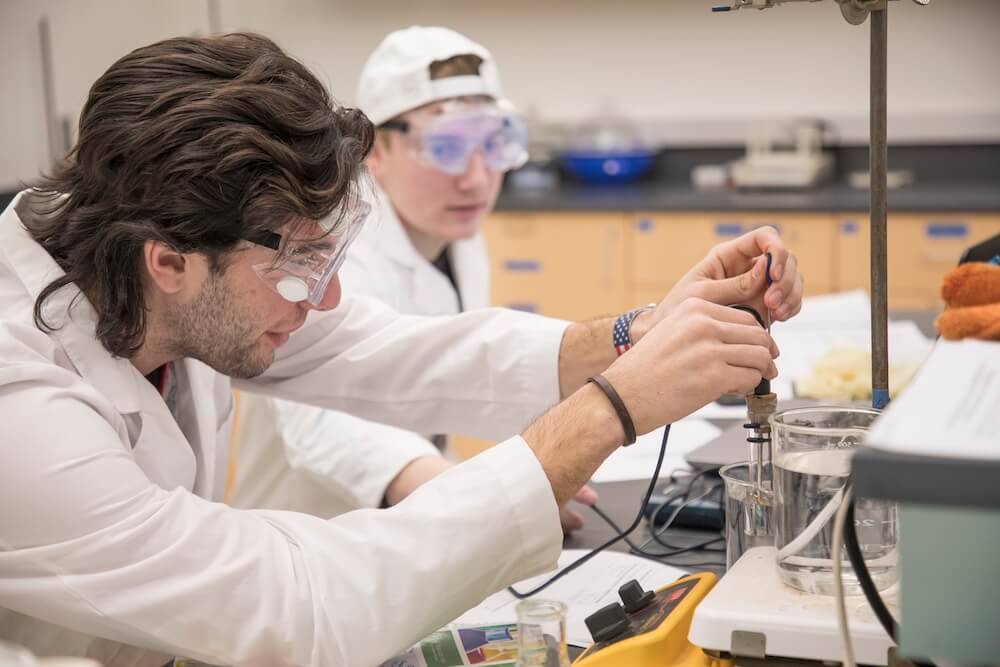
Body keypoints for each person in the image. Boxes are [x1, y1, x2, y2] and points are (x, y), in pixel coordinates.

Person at [0, 32, 803, 667]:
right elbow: (304, 604)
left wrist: (633, 334)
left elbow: (393, 350)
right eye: (296, 268)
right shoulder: (22, 410)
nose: (328, 300)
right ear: (168, 263)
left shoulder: (154, 261)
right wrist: (612, 409)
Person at [229, 26, 597, 530]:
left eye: (493, 145)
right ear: (375, 152)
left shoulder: (457, 231)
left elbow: (455, 366)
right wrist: (473, 499)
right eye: (446, 147)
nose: (475, 177)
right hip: (311, 533)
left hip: (409, 524)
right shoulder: (327, 244)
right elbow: (325, 422)